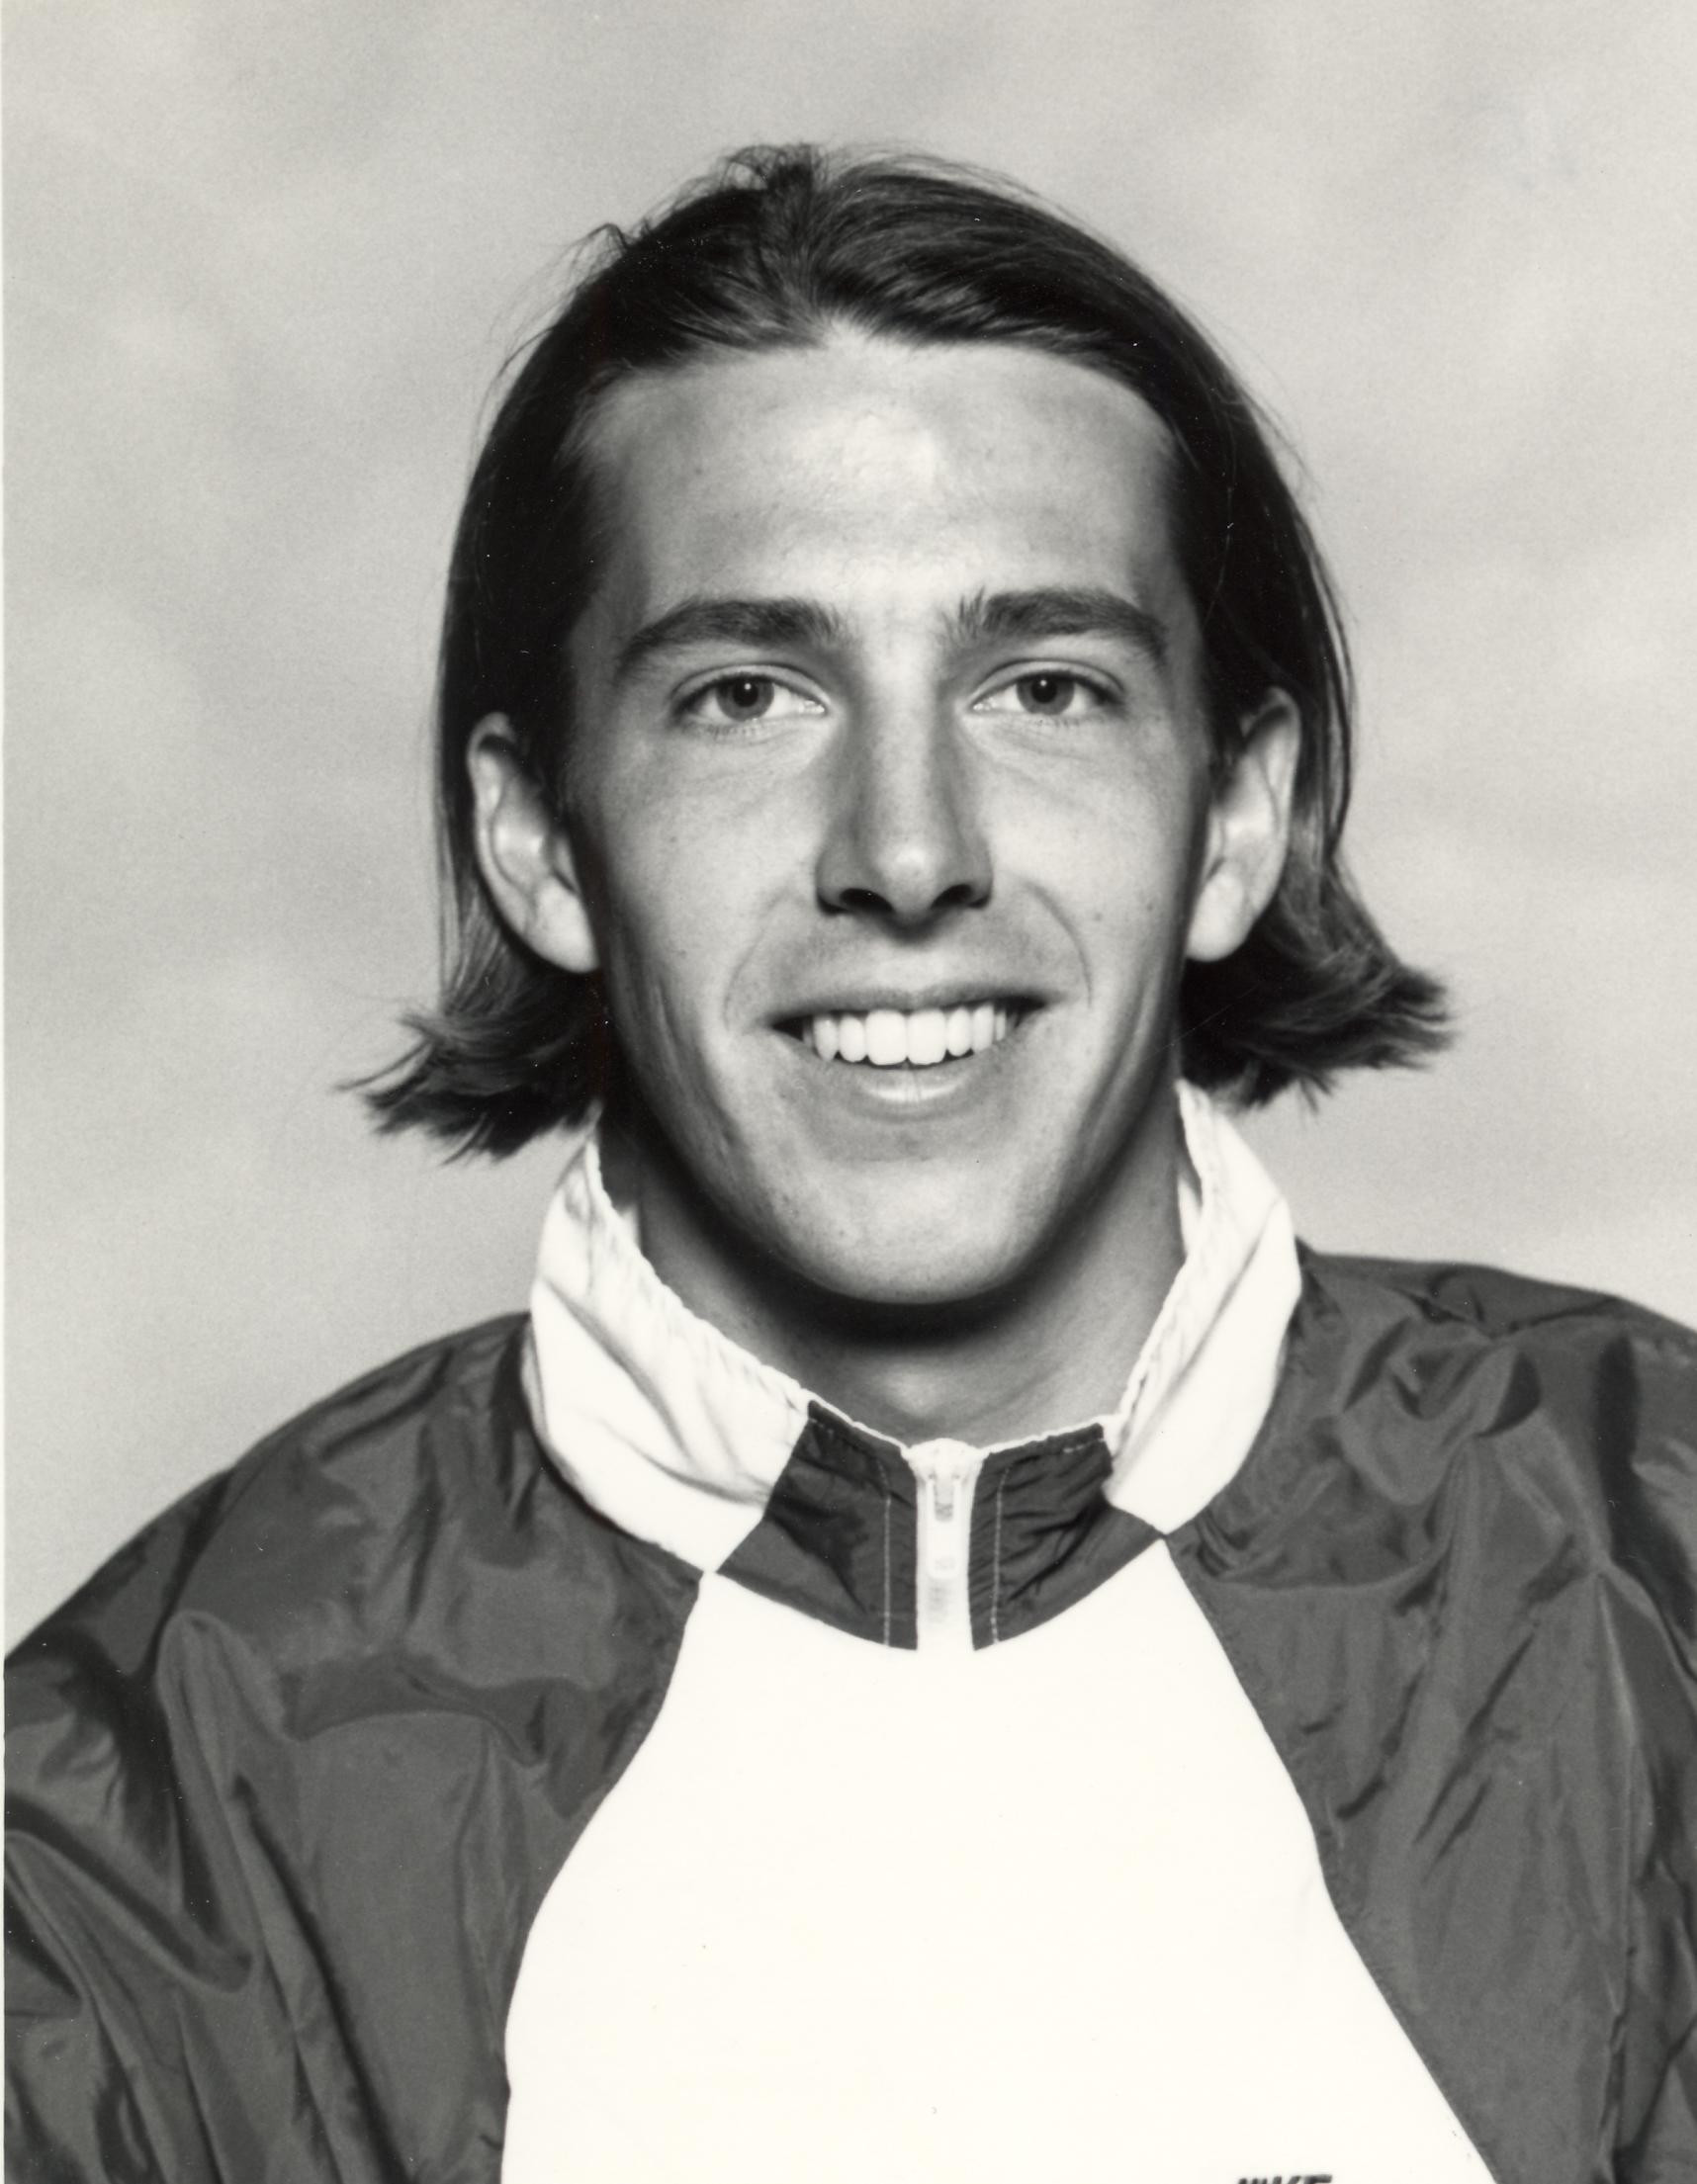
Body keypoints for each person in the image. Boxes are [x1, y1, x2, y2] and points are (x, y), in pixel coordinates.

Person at [6, 143, 1693, 2184]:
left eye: (1045, 687)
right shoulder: (142, 1821)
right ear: (540, 840)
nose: (907, 848)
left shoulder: (1652, 1568)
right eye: (748, 694)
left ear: (1239, 815)